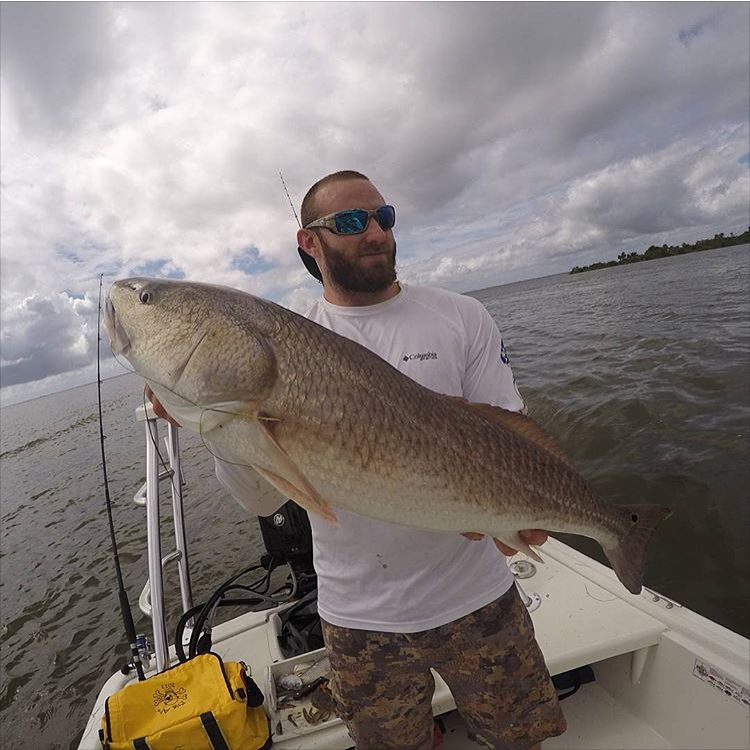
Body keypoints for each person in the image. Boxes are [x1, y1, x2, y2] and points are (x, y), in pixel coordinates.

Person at [150, 170, 566, 750]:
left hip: (479, 598)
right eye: (350, 222)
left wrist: (525, 510)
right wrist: (215, 423)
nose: (375, 232)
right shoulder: (293, 342)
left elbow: (510, 437)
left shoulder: (460, 316)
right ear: (309, 243)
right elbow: (263, 500)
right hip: (359, 617)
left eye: (384, 217)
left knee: (521, 740)